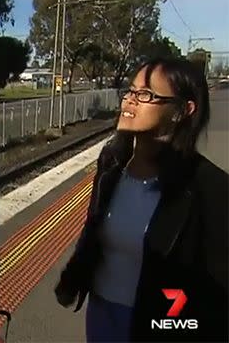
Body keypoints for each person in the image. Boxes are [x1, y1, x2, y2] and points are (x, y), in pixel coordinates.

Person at [54, 57, 228, 342]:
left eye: (146, 94)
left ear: (182, 111)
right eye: (131, 91)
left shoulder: (210, 186)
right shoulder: (111, 162)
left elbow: (219, 291)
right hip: (101, 313)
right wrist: (73, 276)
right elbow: (93, 227)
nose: (130, 101)